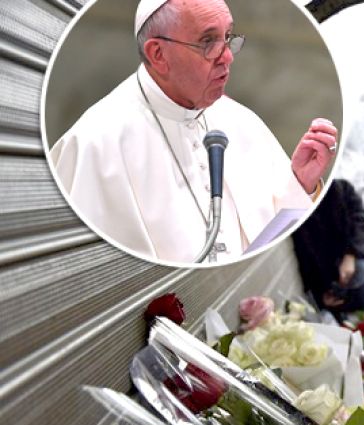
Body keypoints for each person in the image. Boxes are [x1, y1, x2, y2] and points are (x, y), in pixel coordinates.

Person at [50, 0, 337, 264]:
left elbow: (272, 245)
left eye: (228, 37)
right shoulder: (94, 144)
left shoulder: (239, 119)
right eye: (208, 42)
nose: (227, 57)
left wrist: (300, 183)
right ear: (158, 54)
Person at [292, 179, 364, 318]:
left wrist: (350, 255)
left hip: (357, 261)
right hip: (328, 279)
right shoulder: (295, 210)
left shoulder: (341, 188)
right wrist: (321, 294)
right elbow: (304, 259)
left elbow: (362, 226)